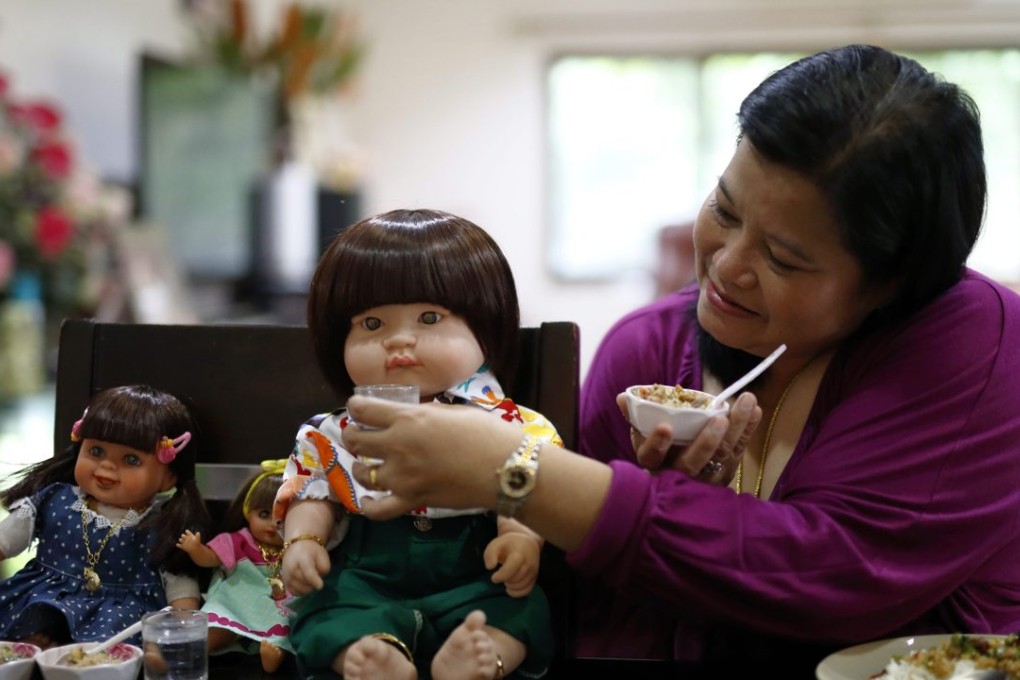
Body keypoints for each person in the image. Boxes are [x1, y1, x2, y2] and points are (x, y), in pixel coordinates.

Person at [335, 44, 1020, 674]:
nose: (727, 265)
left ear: (893, 283)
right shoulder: (649, 349)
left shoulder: (976, 344)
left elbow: (834, 572)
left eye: (783, 258)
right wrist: (668, 508)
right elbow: (594, 615)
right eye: (725, 209)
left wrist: (517, 473)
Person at [275, 208, 563, 679]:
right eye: (372, 325)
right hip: (367, 575)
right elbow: (312, 491)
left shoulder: (511, 425)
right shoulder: (330, 433)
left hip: (474, 572)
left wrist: (518, 537)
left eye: (429, 318)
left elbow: (528, 483)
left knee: (519, 609)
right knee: (325, 609)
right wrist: (304, 541)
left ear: (486, 326)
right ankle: (372, 656)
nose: (399, 340)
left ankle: (478, 658)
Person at [0, 384, 211, 648]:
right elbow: (8, 538)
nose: (107, 466)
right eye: (96, 451)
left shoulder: (160, 524)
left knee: (118, 644)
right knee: (32, 616)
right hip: (43, 600)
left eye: (131, 460)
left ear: (168, 477)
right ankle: (39, 642)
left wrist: (184, 627)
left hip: (120, 618)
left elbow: (179, 583)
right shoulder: (53, 499)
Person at [177, 459, 293, 673]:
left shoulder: (295, 548)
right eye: (264, 514)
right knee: (218, 623)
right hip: (237, 600)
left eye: (282, 518)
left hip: (275, 605)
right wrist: (196, 549)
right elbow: (211, 558)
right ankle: (196, 649)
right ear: (248, 513)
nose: (272, 524)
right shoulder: (238, 541)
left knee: (284, 625)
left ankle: (273, 655)